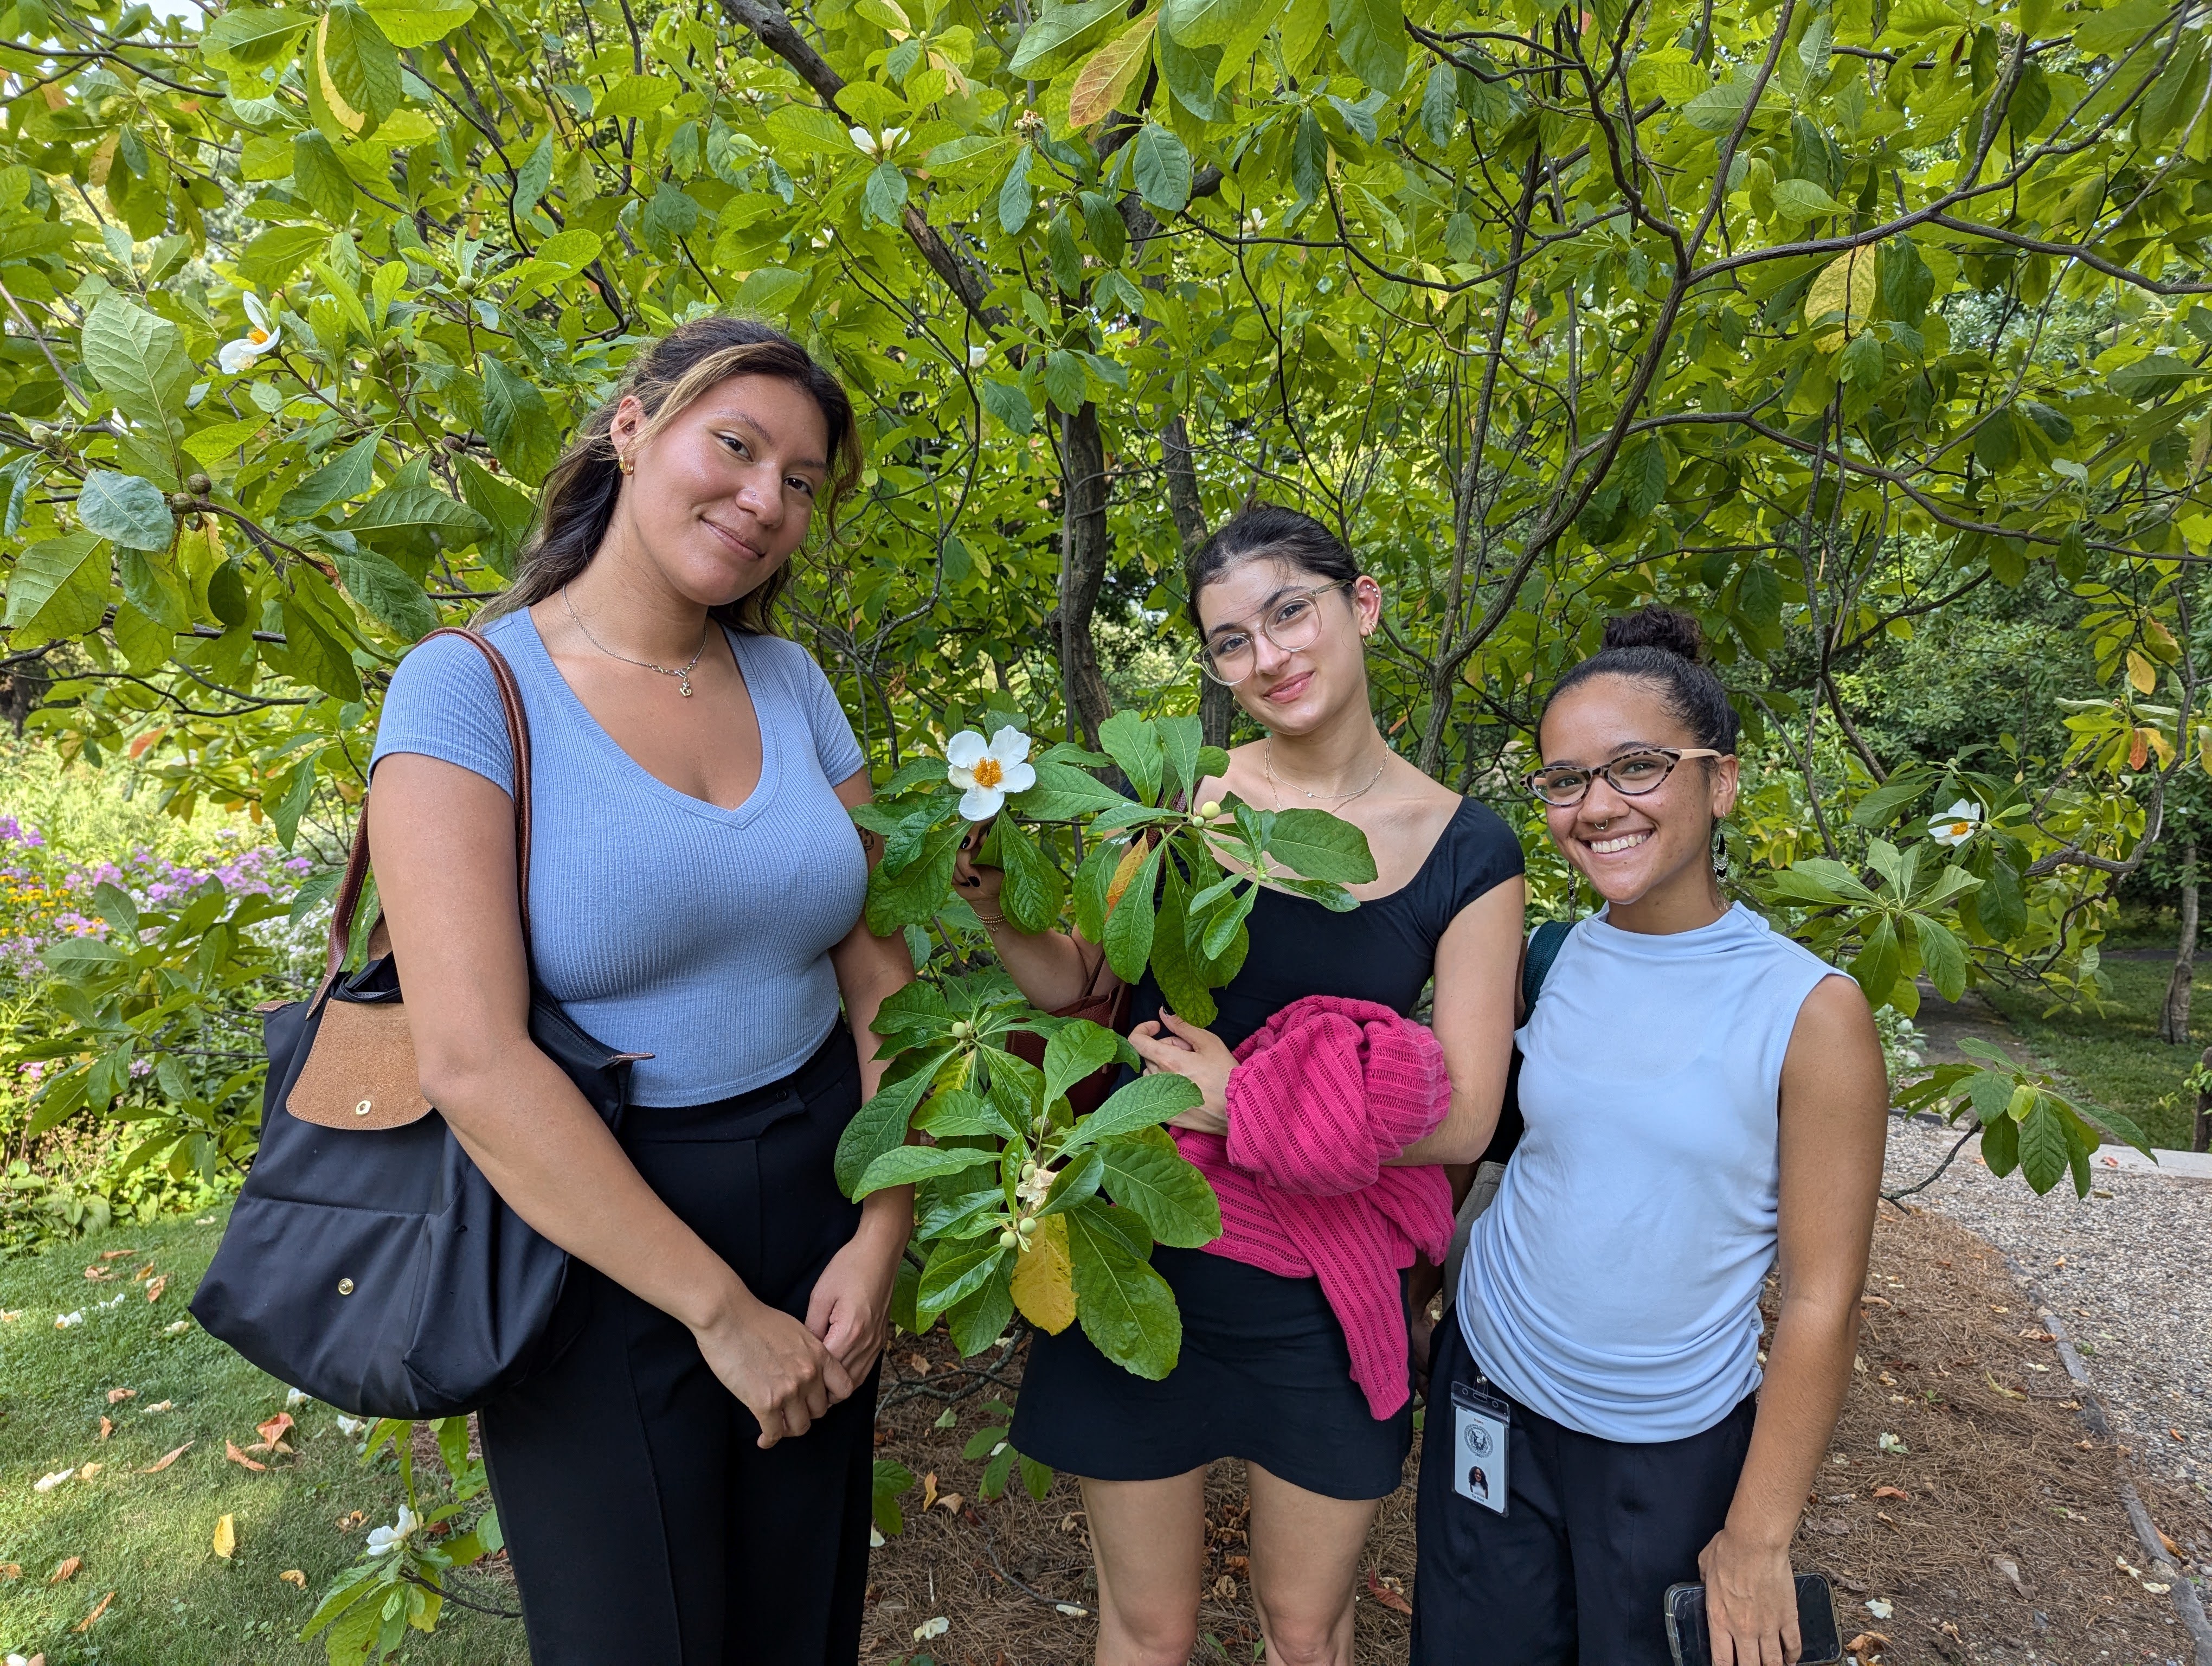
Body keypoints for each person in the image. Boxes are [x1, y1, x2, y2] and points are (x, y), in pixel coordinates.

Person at [364, 318, 914, 1664]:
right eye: (738, 446)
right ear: (632, 426)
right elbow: (473, 1063)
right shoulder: (468, 689)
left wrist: (884, 1231)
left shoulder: (792, 683)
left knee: (802, 1627)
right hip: (593, 1248)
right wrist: (723, 1318)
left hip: (823, 1213)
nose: (766, 500)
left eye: (800, 482)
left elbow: (886, 977)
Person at [956, 504, 1525, 1666]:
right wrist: (990, 905)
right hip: (1140, 1251)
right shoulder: (1179, 804)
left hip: (1322, 1294)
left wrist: (1244, 1107)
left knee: (1304, 1630)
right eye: (1230, 641)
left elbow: (1468, 1111)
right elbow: (1080, 979)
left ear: (1359, 607)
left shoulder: (1468, 848)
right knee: (1146, 1628)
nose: (1267, 657)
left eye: (1289, 613)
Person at [1412, 607, 1888, 1666]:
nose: (1597, 808)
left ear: (1719, 781)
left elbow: (1822, 1299)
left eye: (1636, 768)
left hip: (1670, 1446)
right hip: (1490, 1385)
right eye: (1566, 780)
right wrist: (1412, 1301)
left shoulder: (1811, 1013)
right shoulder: (1548, 954)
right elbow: (1486, 1141)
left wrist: (1759, 1537)